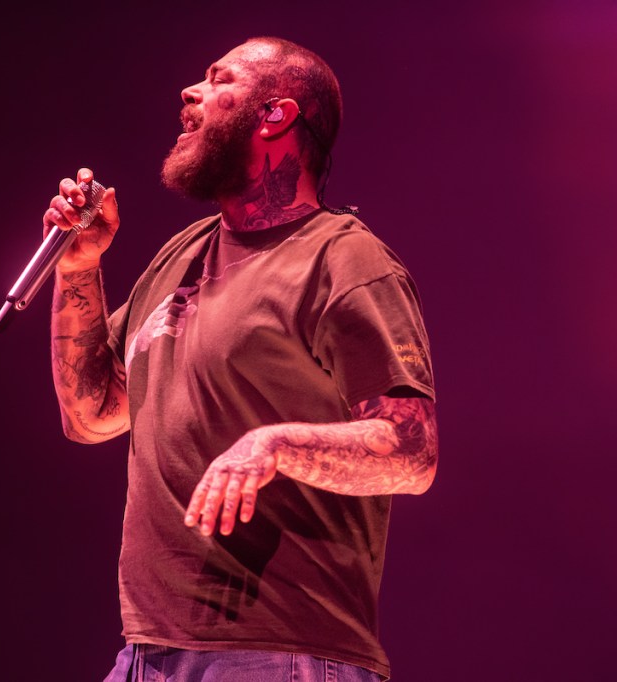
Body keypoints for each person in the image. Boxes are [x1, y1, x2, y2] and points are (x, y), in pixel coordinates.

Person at [43, 36, 438, 682]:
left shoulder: (342, 258)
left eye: (219, 79)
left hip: (279, 652)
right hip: (146, 652)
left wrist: (274, 445)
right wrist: (79, 267)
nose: (190, 92)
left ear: (275, 115)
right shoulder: (181, 255)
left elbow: (413, 454)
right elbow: (92, 415)